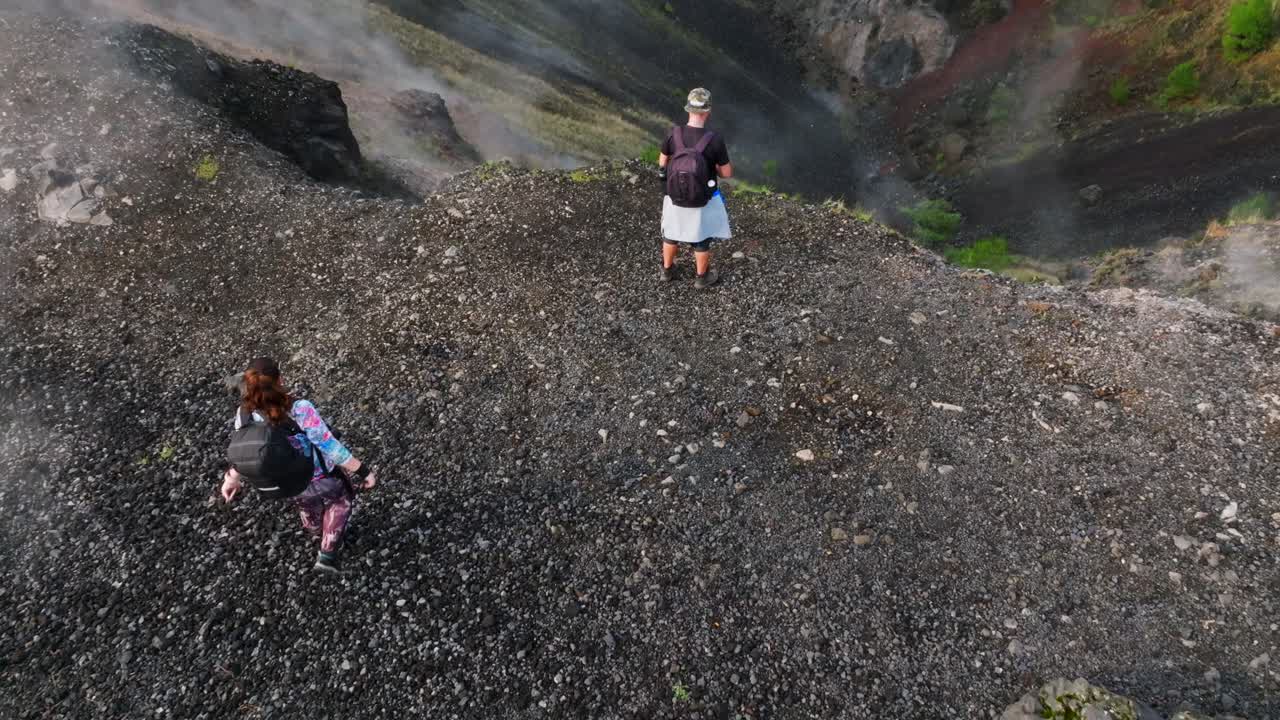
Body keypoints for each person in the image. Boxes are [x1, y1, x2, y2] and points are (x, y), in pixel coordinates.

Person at [219, 357, 376, 574]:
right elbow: (328, 445)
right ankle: (327, 555)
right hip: (320, 476)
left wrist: (232, 479)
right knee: (341, 500)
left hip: (285, 481)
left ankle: (313, 528)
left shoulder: (243, 414)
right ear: (279, 380)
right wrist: (363, 471)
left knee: (304, 501)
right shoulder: (299, 408)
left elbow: (246, 449)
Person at [658, 87, 734, 289]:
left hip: (673, 194)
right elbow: (726, 173)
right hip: (702, 197)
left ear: (688, 110)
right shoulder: (714, 139)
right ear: (708, 112)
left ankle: (667, 270)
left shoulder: (673, 134)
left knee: (671, 232)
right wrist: (713, 168)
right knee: (701, 236)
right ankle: (702, 277)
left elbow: (663, 160)